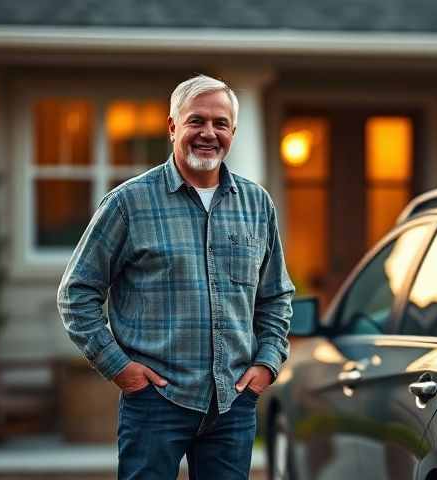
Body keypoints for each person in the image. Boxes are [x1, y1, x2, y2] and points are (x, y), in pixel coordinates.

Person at [57, 74, 294, 479]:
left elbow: (275, 296)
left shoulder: (257, 204)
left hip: (232, 404)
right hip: (154, 404)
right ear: (172, 127)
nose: (208, 133)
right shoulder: (128, 203)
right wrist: (120, 369)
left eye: (220, 124)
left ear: (233, 132)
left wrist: (267, 363)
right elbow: (76, 294)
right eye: (196, 121)